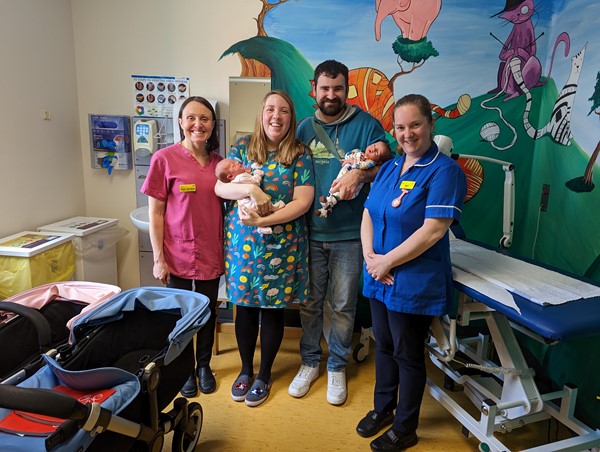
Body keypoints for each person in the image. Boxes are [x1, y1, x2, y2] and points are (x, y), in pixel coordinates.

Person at [356, 94, 466, 451]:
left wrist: (387, 262)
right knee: (383, 346)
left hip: (412, 281)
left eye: (415, 125)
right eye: (400, 127)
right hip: (379, 275)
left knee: (407, 352)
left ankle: (405, 427)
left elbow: (433, 229)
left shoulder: (445, 171)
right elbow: (369, 212)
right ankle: (383, 409)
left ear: (431, 124)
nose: (407, 134)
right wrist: (371, 256)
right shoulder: (389, 167)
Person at [290, 59, 389, 405]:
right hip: (311, 233)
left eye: (337, 88)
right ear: (313, 90)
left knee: (345, 305)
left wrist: (360, 175)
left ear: (346, 89)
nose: (331, 95)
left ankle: (336, 365)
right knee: (310, 304)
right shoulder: (303, 129)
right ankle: (309, 362)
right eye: (324, 89)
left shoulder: (365, 125)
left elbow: (388, 162)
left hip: (350, 235)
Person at [215, 89, 314, 407]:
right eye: (270, 109)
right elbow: (220, 186)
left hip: (281, 245)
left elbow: (303, 201)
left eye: (283, 111)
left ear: (291, 118)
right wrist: (252, 191)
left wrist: (262, 220)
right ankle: (245, 371)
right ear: (261, 114)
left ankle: (265, 374)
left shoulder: (300, 153)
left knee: (273, 311)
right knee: (243, 307)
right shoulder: (242, 147)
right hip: (243, 246)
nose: (276, 116)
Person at [141, 96, 224, 398]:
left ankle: (203, 366)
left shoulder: (218, 163)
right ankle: (184, 369)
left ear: (213, 125)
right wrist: (158, 259)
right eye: (191, 118)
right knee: (180, 315)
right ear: (180, 122)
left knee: (206, 313)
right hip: (177, 254)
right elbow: (156, 213)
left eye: (204, 119)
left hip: (210, 252)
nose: (197, 124)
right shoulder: (164, 159)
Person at [315, 141, 391, 217]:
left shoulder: (370, 162)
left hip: (352, 188)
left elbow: (362, 166)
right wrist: (356, 155)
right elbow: (348, 154)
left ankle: (328, 204)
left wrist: (352, 161)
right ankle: (326, 209)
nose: (373, 148)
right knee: (334, 189)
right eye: (374, 145)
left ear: (379, 161)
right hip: (342, 176)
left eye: (377, 151)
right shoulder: (360, 153)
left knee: (338, 193)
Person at [215, 158, 285, 234]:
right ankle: (273, 208)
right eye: (233, 165)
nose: (237, 162)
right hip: (251, 203)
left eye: (235, 162)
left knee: (257, 216)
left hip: (244, 205)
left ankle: (261, 227)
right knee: (264, 208)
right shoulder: (241, 177)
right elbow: (255, 182)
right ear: (230, 176)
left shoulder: (235, 180)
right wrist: (257, 174)